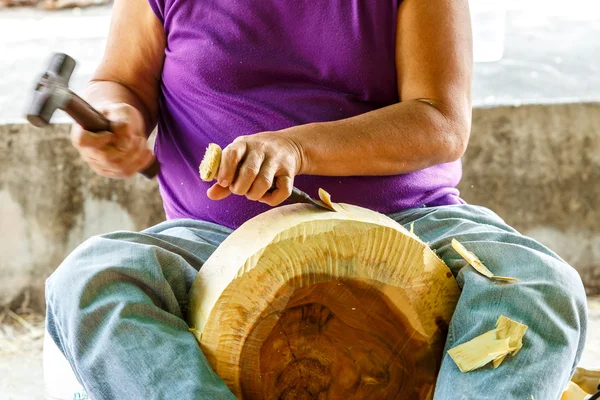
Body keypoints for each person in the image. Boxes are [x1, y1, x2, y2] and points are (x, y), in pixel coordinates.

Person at [45, 0, 588, 398]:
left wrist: (297, 148)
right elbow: (121, 83)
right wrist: (114, 114)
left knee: (537, 289)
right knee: (90, 282)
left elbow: (439, 120)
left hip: (413, 224)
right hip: (213, 242)